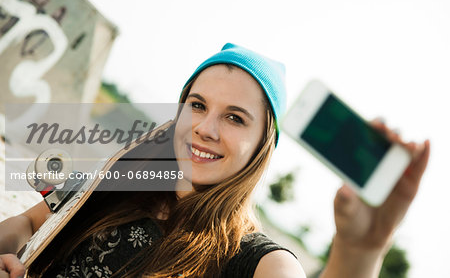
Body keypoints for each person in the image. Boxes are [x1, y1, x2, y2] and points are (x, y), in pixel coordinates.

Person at [0, 43, 430, 278]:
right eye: (198, 104)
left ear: (264, 144)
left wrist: (359, 252)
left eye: (235, 117)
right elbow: (30, 222)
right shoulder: (127, 174)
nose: (205, 127)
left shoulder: (258, 262)